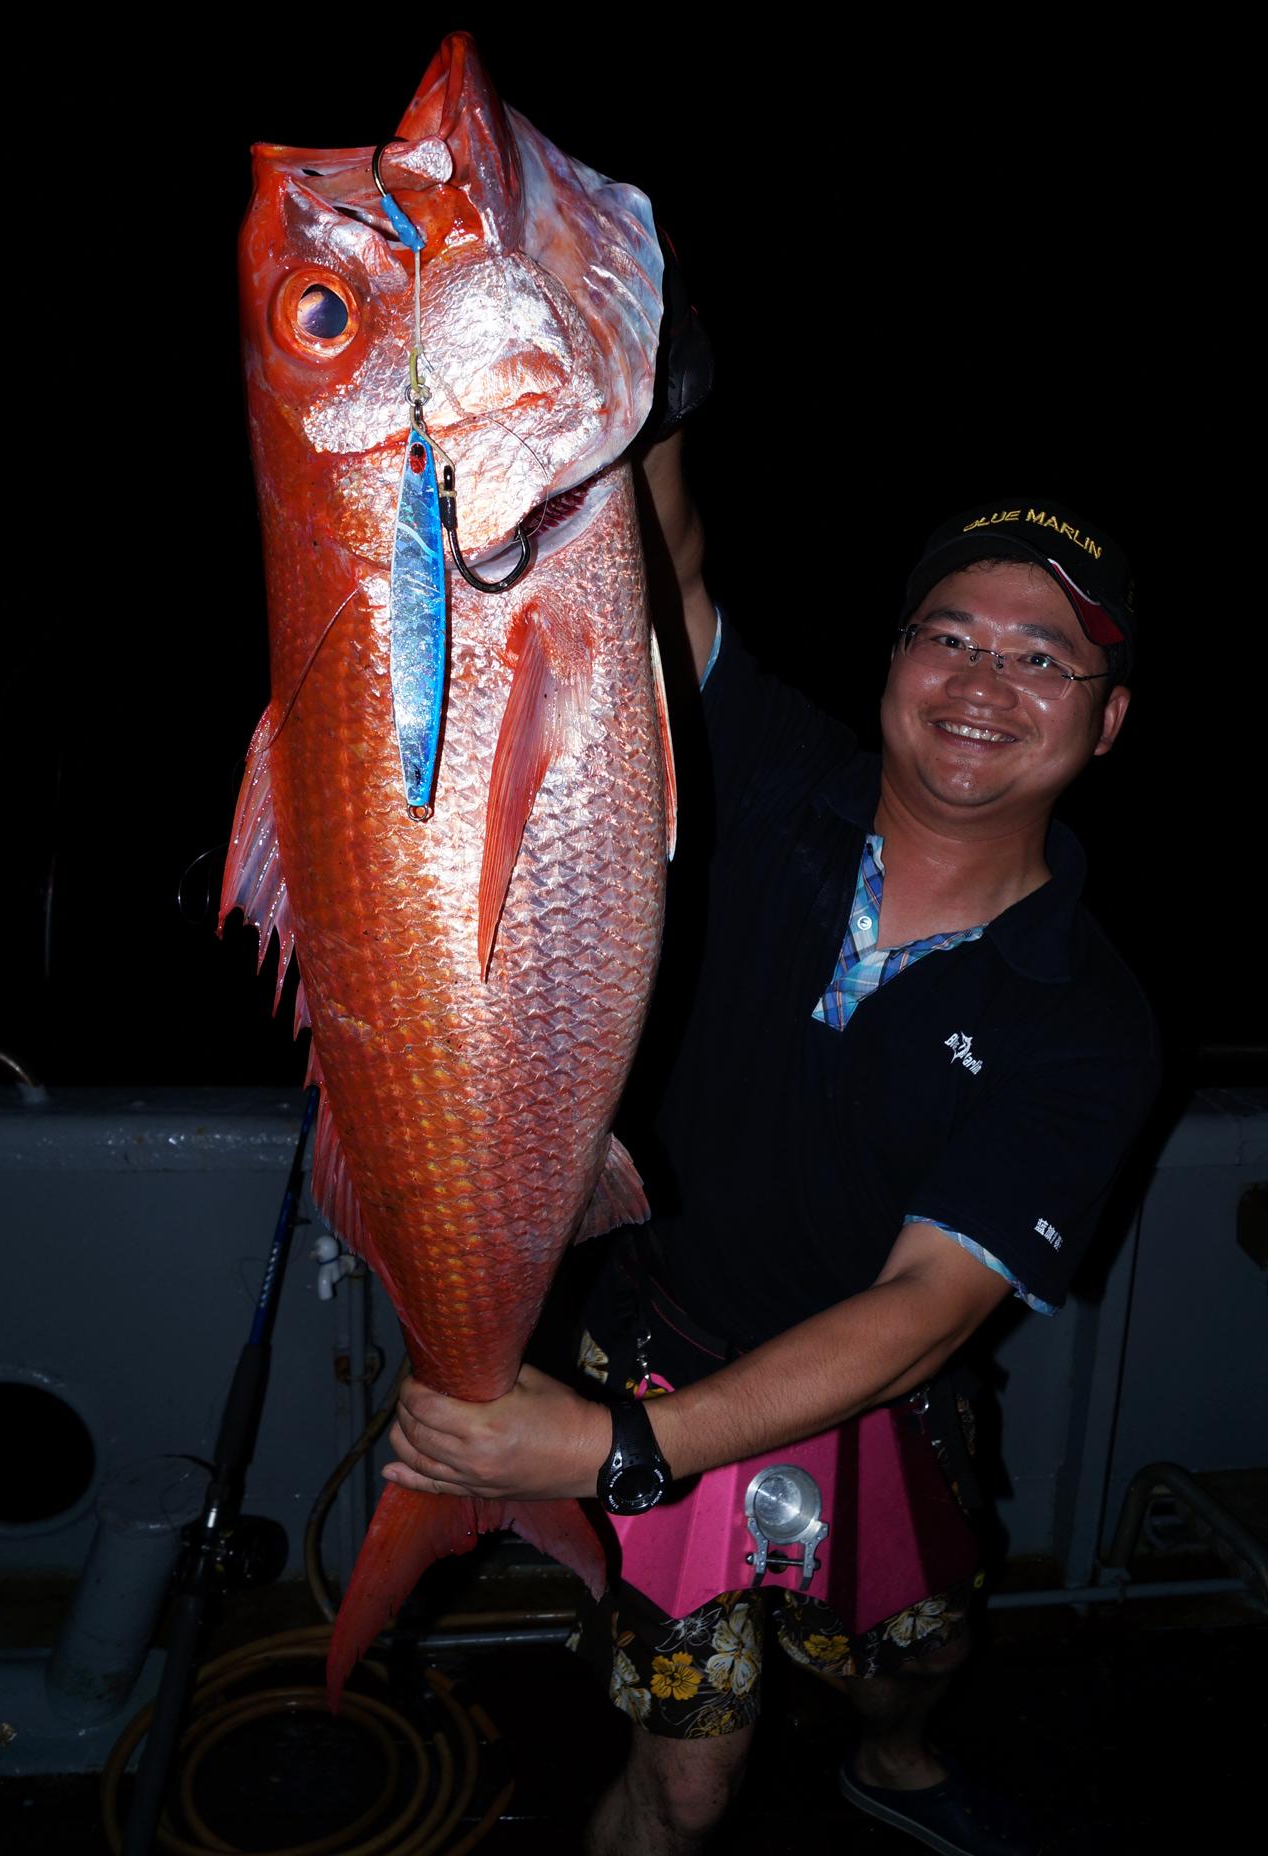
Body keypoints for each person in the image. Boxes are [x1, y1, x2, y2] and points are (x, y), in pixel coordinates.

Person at [379, 443, 1160, 1855]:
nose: (981, 685)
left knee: (907, 1658)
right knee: (683, 1785)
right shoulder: (764, 771)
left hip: (873, 1409)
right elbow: (657, 562)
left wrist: (610, 1447)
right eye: (948, 636)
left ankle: (896, 1754)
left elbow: (930, 1308)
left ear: (1104, 724)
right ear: (893, 660)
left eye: (1043, 660)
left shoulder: (1091, 1018)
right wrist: (646, 380)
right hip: (661, 1358)